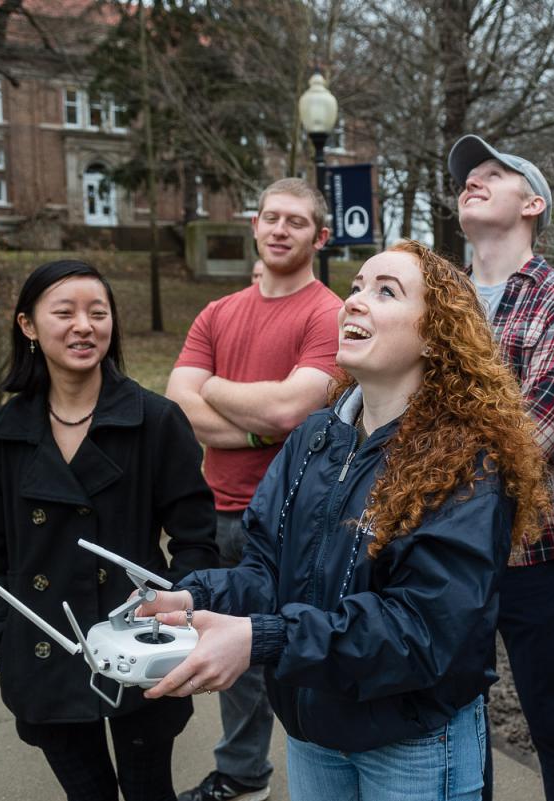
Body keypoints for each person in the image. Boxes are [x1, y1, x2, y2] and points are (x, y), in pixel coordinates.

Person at [136, 240, 549, 801]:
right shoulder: (315, 438)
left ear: (435, 334)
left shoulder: (465, 460)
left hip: (410, 743)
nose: (354, 301)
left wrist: (265, 638)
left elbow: (422, 631)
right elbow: (265, 570)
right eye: (355, 287)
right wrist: (196, 598)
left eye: (386, 291)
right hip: (312, 732)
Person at [0, 259, 219, 801]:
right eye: (65, 312)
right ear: (28, 326)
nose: (85, 326)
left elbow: (197, 538)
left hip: (138, 649)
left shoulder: (156, 420)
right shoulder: (2, 431)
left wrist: (177, 624)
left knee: (151, 791)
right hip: (43, 649)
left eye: (98, 313)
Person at [167, 178, 343, 801]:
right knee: (227, 649)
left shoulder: (329, 313)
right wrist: (252, 430)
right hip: (217, 509)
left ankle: (326, 779)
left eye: (296, 222)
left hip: (295, 517)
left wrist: (214, 388)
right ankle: (243, 777)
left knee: (297, 651)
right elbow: (176, 406)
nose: (279, 229)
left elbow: (292, 412)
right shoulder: (218, 312)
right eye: (271, 217)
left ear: (319, 236)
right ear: (254, 224)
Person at [447, 134, 554, 801]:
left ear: (532, 202)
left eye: (493, 173)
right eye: (467, 176)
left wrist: (426, 460)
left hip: (529, 556)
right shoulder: (434, 302)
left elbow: (530, 440)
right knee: (455, 722)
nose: (472, 181)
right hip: (443, 559)